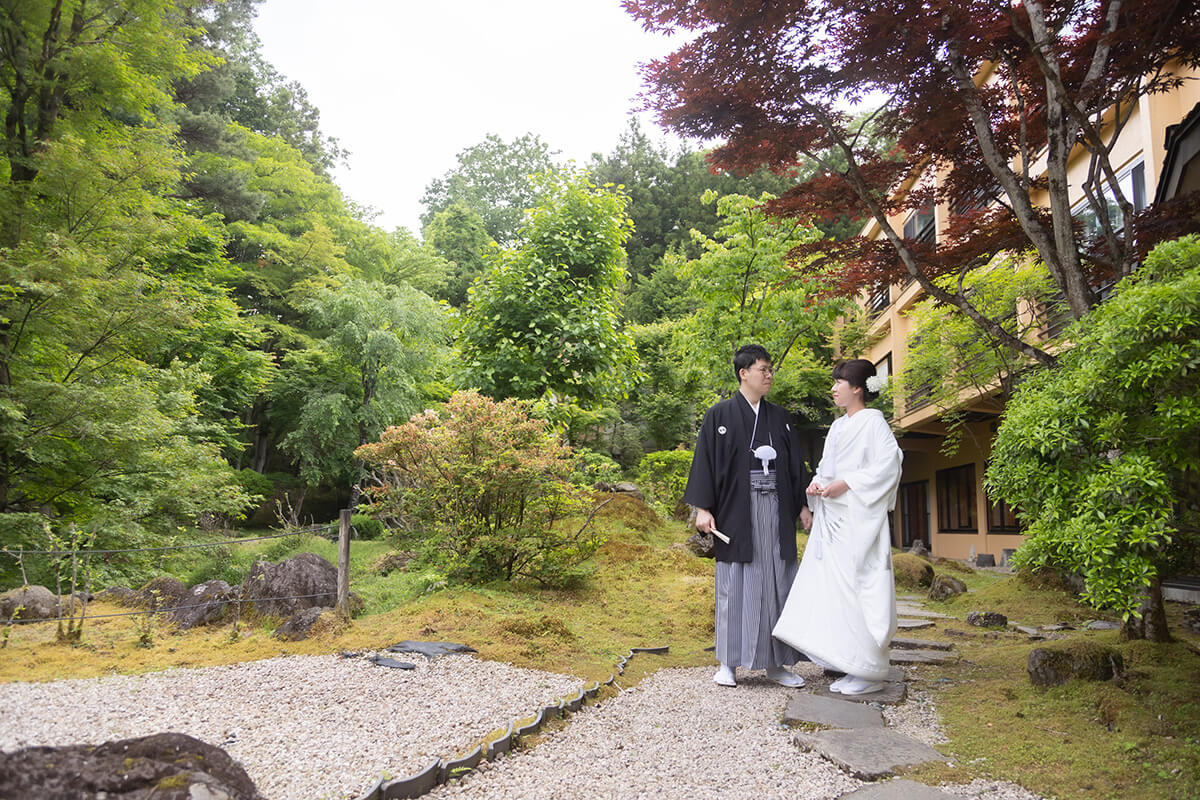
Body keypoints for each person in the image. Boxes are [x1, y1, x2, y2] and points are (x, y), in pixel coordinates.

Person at [683, 344, 813, 688]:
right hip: (736, 510)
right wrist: (703, 507)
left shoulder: (781, 418)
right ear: (744, 373)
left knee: (778, 580)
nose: (769, 376)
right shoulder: (719, 415)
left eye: (770, 370)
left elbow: (795, 464)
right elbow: (705, 463)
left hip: (776, 510)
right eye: (763, 370)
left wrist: (802, 505)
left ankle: (778, 664)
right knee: (735, 584)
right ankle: (729, 662)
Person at [772, 359, 903, 695]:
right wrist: (817, 485)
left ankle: (870, 670)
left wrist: (848, 483)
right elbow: (826, 469)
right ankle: (848, 662)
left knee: (861, 587)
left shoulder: (873, 423)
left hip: (860, 518)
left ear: (857, 388)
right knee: (835, 591)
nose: (833, 388)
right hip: (834, 520)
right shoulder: (837, 427)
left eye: (840, 382)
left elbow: (889, 465)